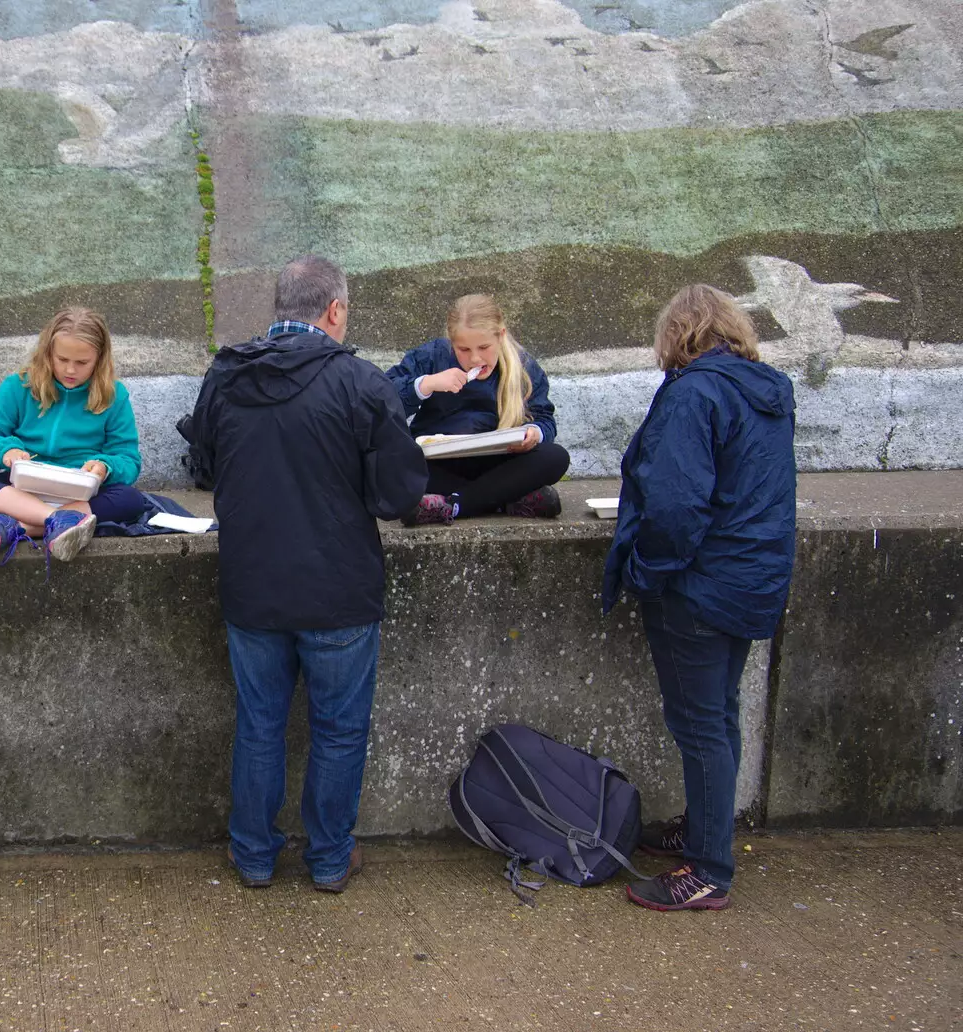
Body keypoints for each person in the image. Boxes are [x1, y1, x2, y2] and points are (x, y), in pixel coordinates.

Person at [188, 255, 425, 892]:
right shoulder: (361, 383)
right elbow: (398, 493)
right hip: (339, 589)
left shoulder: (228, 374)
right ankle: (327, 859)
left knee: (259, 724)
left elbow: (202, 464)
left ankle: (254, 855)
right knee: (340, 731)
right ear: (336, 309)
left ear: (280, 306)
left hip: (253, 584)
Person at [603, 284, 796, 912]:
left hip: (700, 585)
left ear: (675, 335)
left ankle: (709, 868)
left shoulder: (694, 394)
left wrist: (646, 575)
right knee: (720, 714)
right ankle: (706, 831)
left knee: (700, 724)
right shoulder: (766, 390)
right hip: (750, 577)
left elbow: (675, 505)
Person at [0, 306, 146, 563]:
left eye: (82, 363)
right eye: (62, 360)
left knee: (131, 500)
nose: (70, 370)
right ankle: (58, 522)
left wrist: (105, 466)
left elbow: (128, 458)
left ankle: (17, 527)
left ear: (99, 359)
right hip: (22, 488)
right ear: (48, 353)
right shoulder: (19, 386)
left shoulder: (114, 395)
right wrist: (6, 451)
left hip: (81, 493)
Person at [386, 294, 569, 524]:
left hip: (497, 465)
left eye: (484, 347)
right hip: (438, 464)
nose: (474, 358)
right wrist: (427, 384)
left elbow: (545, 418)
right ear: (452, 343)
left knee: (555, 457)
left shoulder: (523, 368)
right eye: (464, 349)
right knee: (391, 463)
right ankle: (504, 500)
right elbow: (383, 399)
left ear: (501, 336)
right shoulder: (432, 356)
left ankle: (452, 506)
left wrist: (534, 433)